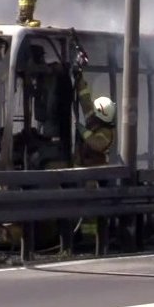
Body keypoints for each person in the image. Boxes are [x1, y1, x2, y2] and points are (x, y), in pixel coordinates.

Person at [70, 69, 117, 245]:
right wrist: (80, 81)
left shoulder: (106, 132)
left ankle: (91, 240)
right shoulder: (95, 120)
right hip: (83, 171)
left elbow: (95, 143)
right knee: (81, 206)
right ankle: (82, 236)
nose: (93, 113)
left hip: (94, 174)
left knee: (90, 210)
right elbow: (86, 103)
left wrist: (81, 129)